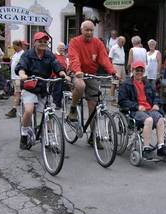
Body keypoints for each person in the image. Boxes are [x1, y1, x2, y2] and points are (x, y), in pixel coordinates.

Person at [67, 20, 119, 148]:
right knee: (80, 85)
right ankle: (73, 109)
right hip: (78, 72)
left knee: (93, 107)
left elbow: (104, 59)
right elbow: (74, 58)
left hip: (91, 74)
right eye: (87, 30)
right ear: (81, 30)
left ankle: (93, 136)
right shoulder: (75, 42)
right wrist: (78, 70)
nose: (89, 33)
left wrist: (113, 72)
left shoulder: (98, 43)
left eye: (91, 30)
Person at [15, 32, 67, 150]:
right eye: (40, 41)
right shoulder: (27, 54)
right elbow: (21, 66)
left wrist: (62, 73)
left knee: (49, 114)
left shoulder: (49, 55)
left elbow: (56, 65)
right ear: (35, 42)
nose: (43, 44)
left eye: (45, 42)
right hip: (30, 87)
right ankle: (24, 135)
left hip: (44, 88)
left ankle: (51, 140)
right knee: (29, 110)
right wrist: (22, 74)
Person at [118, 60, 166, 160]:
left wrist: (156, 104)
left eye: (141, 70)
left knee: (160, 119)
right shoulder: (126, 85)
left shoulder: (148, 85)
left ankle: (161, 147)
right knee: (149, 120)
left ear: (144, 72)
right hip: (135, 111)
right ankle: (145, 149)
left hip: (150, 110)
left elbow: (156, 97)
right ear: (132, 71)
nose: (139, 73)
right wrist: (136, 106)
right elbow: (122, 101)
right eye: (137, 70)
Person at [5, 40, 24, 118]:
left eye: (14, 46)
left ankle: (14, 109)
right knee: (17, 93)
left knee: (17, 93)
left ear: (19, 45)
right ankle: (18, 108)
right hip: (14, 77)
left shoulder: (22, 54)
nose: (13, 47)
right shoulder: (15, 54)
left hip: (18, 77)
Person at [51, 42, 69, 110]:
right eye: (60, 48)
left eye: (63, 48)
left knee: (62, 90)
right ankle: (56, 103)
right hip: (57, 75)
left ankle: (59, 102)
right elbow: (53, 66)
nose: (62, 49)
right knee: (57, 90)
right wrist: (54, 75)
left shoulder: (64, 56)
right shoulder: (54, 55)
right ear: (57, 48)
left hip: (63, 76)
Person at [108, 36, 126, 106]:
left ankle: (121, 98)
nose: (123, 43)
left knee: (122, 83)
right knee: (114, 83)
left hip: (122, 66)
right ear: (118, 41)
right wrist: (111, 69)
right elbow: (110, 58)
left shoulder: (122, 48)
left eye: (124, 42)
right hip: (116, 66)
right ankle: (112, 99)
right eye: (122, 41)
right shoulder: (114, 48)